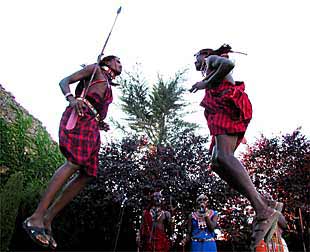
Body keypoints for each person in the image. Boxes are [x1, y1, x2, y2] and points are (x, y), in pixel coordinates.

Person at [22, 55, 122, 249]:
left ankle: (48, 219)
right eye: (117, 60)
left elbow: (97, 107)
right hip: (80, 118)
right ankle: (36, 217)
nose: (120, 64)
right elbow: (64, 81)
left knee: (88, 174)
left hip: (92, 126)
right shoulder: (95, 70)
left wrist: (101, 122)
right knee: (74, 162)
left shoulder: (108, 85)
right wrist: (71, 99)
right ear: (107, 61)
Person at [189, 44, 281, 250]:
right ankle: (262, 204)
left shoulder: (211, 60)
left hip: (228, 103)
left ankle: (262, 208)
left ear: (204, 54)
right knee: (217, 162)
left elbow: (228, 64)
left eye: (195, 56)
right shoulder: (208, 67)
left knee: (224, 156)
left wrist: (205, 83)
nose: (194, 61)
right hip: (220, 108)